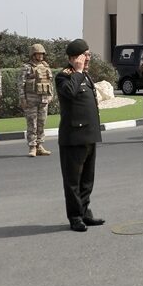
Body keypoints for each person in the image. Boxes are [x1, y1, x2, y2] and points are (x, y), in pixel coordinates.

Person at [56, 39, 104, 232]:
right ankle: (75, 216)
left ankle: (85, 212)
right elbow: (68, 93)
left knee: (87, 179)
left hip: (89, 135)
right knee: (73, 181)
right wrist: (76, 71)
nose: (89, 58)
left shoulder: (85, 75)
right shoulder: (64, 76)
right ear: (75, 58)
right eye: (86, 54)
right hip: (73, 136)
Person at [21, 43, 54, 157]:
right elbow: (21, 84)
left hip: (43, 99)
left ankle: (40, 145)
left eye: (42, 54)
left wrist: (51, 95)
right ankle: (32, 147)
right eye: (38, 54)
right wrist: (22, 98)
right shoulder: (27, 67)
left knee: (42, 123)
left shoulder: (46, 66)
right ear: (33, 55)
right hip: (31, 99)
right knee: (32, 123)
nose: (40, 56)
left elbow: (50, 82)